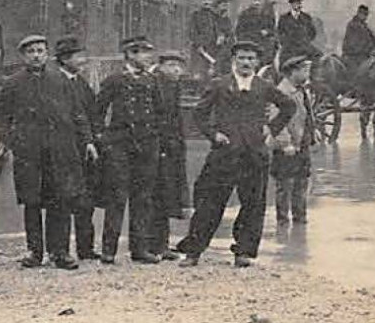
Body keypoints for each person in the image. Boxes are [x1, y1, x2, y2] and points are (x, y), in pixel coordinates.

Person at [175, 38, 295, 268]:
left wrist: (271, 128)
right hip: (224, 154)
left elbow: (289, 106)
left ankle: (243, 252)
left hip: (254, 155)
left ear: (257, 61)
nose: (246, 63)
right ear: (234, 61)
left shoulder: (264, 86)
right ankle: (193, 252)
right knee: (210, 203)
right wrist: (213, 135)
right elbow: (199, 114)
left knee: (253, 204)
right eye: (242, 58)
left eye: (251, 59)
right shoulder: (219, 85)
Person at [0, 35, 97, 270]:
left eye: (40, 50)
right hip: (29, 154)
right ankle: (35, 252)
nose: (36, 55)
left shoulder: (60, 80)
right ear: (23, 56)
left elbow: (77, 113)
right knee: (32, 202)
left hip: (60, 152)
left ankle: (60, 252)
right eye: (31, 51)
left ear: (47, 53)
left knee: (60, 201)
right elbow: (1, 118)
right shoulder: (13, 83)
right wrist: (10, 142)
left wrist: (87, 140)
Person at [94, 36, 169, 263]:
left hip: (147, 146)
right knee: (117, 198)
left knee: (143, 198)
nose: (148, 57)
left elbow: (161, 112)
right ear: (130, 54)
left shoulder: (152, 80)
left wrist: (157, 140)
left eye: (149, 52)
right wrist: (104, 141)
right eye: (144, 53)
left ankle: (139, 249)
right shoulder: (114, 80)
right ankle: (109, 250)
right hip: (120, 146)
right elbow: (98, 112)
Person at [54, 36, 102, 261]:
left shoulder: (81, 83)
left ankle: (85, 248)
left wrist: (93, 140)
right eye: (78, 56)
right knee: (63, 201)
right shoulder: (54, 82)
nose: (83, 60)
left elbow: (92, 114)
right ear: (65, 59)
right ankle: (60, 250)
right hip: (62, 151)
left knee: (85, 200)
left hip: (84, 150)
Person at [148, 50, 191, 257]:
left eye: (179, 66)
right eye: (172, 65)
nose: (176, 69)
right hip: (158, 147)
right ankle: (152, 245)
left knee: (166, 196)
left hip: (172, 147)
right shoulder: (154, 84)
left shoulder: (173, 86)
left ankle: (161, 244)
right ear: (162, 66)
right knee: (156, 196)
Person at [271, 53, 316, 226]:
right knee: (285, 184)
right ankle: (282, 221)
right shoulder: (281, 92)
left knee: (302, 181)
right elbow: (276, 121)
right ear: (293, 72)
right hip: (288, 146)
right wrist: (285, 144)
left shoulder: (302, 90)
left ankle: (300, 219)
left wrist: (313, 132)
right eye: (305, 70)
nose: (308, 74)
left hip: (301, 143)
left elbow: (307, 114)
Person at [275, 0, 320, 68]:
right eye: (294, 3)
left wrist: (306, 41)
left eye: (299, 3)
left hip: (304, 46)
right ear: (291, 4)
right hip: (289, 48)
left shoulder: (306, 17)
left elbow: (312, 32)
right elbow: (280, 33)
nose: (297, 5)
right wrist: (286, 44)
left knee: (319, 57)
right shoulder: (284, 18)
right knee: (282, 62)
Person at [235, 0, 278, 68]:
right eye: (255, 0)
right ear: (251, 1)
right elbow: (239, 30)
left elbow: (272, 29)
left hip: (263, 46)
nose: (257, 3)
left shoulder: (267, 15)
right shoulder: (245, 14)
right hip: (250, 44)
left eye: (259, 0)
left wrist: (267, 32)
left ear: (262, 1)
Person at [189, 0, 224, 80]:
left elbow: (219, 30)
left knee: (213, 72)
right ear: (200, 1)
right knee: (200, 73)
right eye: (204, 0)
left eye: (209, 0)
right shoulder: (195, 15)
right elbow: (192, 32)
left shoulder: (215, 15)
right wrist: (198, 45)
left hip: (213, 48)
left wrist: (220, 36)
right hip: (200, 49)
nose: (207, 2)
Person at [342, 4, 375, 71]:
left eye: (366, 15)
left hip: (362, 54)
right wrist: (368, 48)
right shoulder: (353, 25)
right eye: (364, 14)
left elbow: (371, 38)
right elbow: (353, 42)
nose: (366, 17)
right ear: (359, 13)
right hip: (354, 56)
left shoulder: (364, 26)